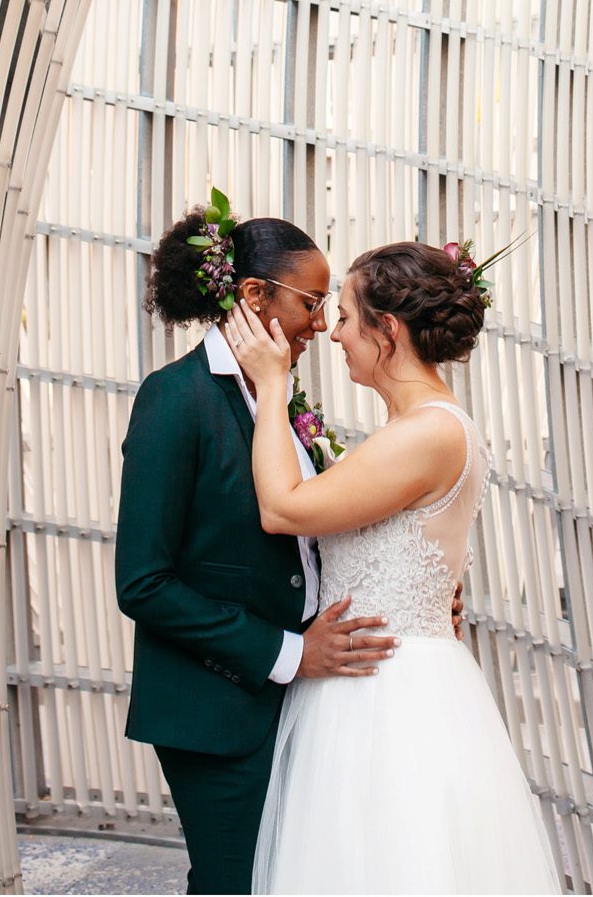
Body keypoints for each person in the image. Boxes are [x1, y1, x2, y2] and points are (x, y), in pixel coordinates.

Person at [229, 241, 563, 896]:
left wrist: (271, 385)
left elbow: (283, 508)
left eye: (346, 317)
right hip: (371, 680)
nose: (334, 334)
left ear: (387, 329)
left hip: (389, 698)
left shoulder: (427, 432)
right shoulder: (417, 428)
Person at [115, 202, 398, 896]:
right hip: (214, 711)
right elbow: (143, 582)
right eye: (311, 301)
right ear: (253, 294)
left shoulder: (277, 398)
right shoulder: (174, 399)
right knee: (234, 884)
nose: (321, 324)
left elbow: (302, 545)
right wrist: (290, 652)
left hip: (291, 702)